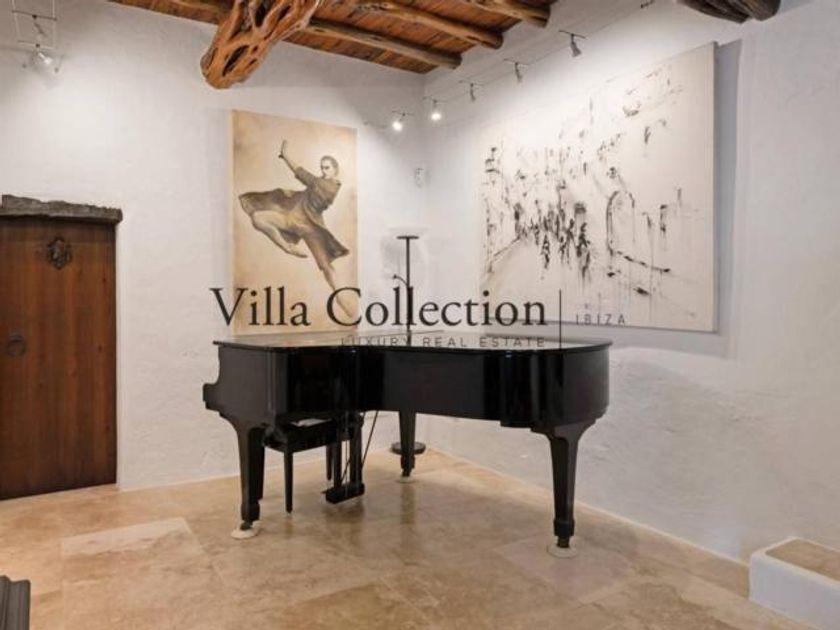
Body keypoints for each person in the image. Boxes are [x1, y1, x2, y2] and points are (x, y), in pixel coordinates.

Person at [239, 140, 353, 318]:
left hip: (310, 228)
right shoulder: (317, 182)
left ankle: (341, 299)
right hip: (292, 220)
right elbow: (303, 175)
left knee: (326, 266)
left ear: (335, 170)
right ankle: (287, 247)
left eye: (327, 168)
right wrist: (285, 157)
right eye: (322, 167)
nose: (324, 171)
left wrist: (286, 157)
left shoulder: (330, 186)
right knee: (257, 217)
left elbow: (301, 173)